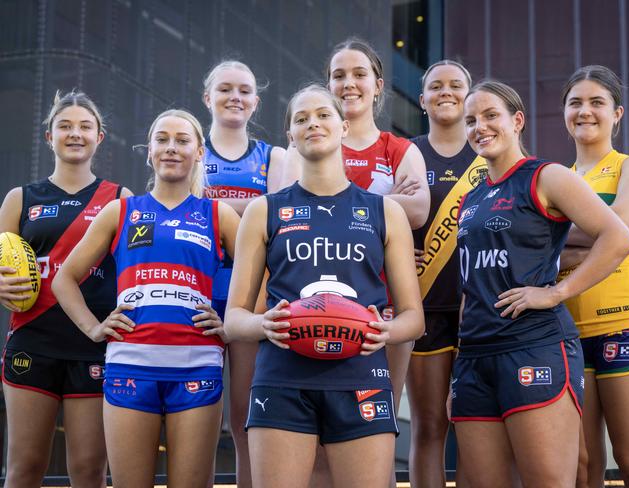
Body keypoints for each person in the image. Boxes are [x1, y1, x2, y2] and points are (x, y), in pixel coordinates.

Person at [224, 84, 424, 488]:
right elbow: (233, 319)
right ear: (290, 136)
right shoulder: (265, 210)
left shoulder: (384, 211)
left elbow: (414, 319)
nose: (312, 123)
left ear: (344, 126)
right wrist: (264, 325)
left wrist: (386, 331)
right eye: (301, 119)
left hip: (361, 376)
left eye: (322, 115)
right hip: (282, 377)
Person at [451, 80, 629, 488]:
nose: (479, 127)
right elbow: (472, 281)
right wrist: (461, 359)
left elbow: (619, 238)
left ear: (517, 121)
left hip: (534, 346)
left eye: (490, 115)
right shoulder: (472, 197)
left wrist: (557, 293)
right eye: (471, 121)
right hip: (476, 357)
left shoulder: (546, 175)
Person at [52, 109, 239, 488]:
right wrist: (94, 327)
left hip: (198, 367)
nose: (172, 148)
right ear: (149, 151)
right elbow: (64, 279)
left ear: (200, 152)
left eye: (183, 140)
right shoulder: (121, 211)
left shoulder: (218, 214)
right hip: (129, 367)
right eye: (162, 139)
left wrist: (232, 323)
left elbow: (265, 279)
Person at [0, 91, 130, 488]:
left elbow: (136, 270)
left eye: (85, 126)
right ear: (48, 137)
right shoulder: (20, 198)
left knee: (90, 471)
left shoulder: (121, 198)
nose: (75, 134)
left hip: (93, 344)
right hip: (31, 341)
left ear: (99, 138)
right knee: (24, 467)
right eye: (65, 126)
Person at [558, 65, 629, 488]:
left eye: (597, 102)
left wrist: (562, 242)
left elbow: (620, 232)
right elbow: (610, 235)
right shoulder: (555, 179)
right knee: (582, 469)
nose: (585, 111)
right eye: (575, 102)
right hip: (564, 331)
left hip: (622, 323)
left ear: (617, 114)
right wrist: (604, 235)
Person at [202, 59, 286, 487]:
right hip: (197, 292)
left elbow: (280, 220)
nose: (235, 97)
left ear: (256, 101)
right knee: (196, 418)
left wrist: (212, 206)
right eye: (225, 89)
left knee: (244, 416)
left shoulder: (276, 157)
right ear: (208, 98)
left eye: (244, 90)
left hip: (254, 293)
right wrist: (252, 208)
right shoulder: (186, 148)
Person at [407, 60, 486, 488]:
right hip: (425, 307)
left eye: (456, 85)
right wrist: (400, 253)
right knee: (429, 426)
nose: (446, 92)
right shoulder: (408, 152)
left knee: (475, 427)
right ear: (422, 100)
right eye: (436, 86)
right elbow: (386, 219)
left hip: (480, 308)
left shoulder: (491, 150)